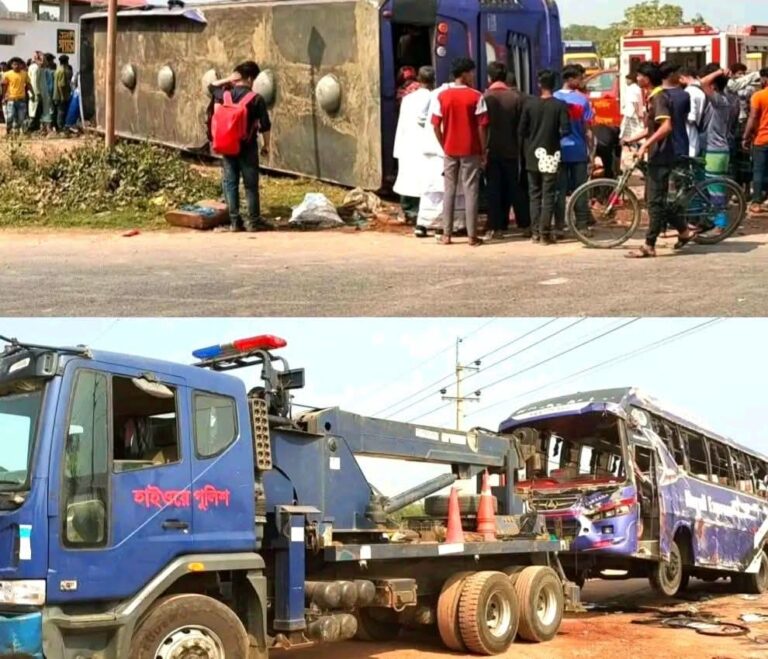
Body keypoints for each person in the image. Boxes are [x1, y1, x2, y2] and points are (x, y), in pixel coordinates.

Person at [624, 61, 696, 258]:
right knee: (657, 200)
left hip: (662, 155)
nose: (637, 78)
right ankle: (683, 231)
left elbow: (666, 127)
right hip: (658, 154)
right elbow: (652, 128)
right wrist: (633, 138)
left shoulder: (659, 98)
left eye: (640, 75)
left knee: (654, 202)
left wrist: (645, 145)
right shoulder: (654, 97)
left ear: (647, 79)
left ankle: (649, 245)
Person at [208, 61, 272, 232]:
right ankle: (254, 222)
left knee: (230, 183)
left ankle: (235, 223)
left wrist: (229, 79)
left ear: (238, 77)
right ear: (250, 79)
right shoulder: (256, 99)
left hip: (228, 146)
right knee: (251, 186)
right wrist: (266, 146)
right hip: (247, 146)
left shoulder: (225, 95)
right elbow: (265, 125)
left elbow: (211, 86)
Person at [431, 57, 489, 246]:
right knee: (471, 191)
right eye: (471, 73)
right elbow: (482, 126)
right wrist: (483, 150)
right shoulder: (476, 96)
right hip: (471, 150)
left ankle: (446, 235)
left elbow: (435, 125)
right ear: (464, 74)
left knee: (449, 190)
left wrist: (444, 144)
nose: (473, 76)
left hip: (450, 150)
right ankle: (472, 236)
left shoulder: (442, 96)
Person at [519, 69, 570, 244]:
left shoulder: (529, 104)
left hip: (532, 155)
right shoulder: (560, 105)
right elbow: (566, 129)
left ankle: (535, 232)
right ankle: (545, 234)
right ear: (554, 85)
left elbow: (521, 130)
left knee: (534, 194)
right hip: (551, 154)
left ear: (539, 84)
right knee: (548, 194)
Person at [415, 81, 468, 237]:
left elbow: (421, 118)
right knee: (454, 189)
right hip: (450, 147)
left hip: (433, 149)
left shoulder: (434, 94)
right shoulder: (460, 96)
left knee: (432, 189)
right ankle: (456, 224)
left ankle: (423, 224)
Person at [483, 61, 525, 241]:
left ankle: (496, 227)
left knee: (493, 188)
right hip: (512, 149)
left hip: (491, 149)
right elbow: (521, 127)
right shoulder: (515, 98)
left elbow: (482, 126)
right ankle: (525, 224)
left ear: (490, 77)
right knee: (513, 187)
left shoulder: (485, 97)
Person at [553, 65, 594, 238]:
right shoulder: (582, 100)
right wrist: (591, 153)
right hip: (578, 150)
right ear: (570, 79)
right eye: (579, 78)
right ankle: (582, 225)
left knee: (559, 191)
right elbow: (588, 130)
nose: (581, 81)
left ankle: (559, 226)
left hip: (559, 151)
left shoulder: (553, 98)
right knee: (581, 190)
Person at [699, 64, 739, 229]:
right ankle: (711, 220)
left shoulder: (719, 101)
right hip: (718, 150)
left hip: (716, 150)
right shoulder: (725, 99)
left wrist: (719, 72)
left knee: (716, 189)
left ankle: (720, 224)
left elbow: (702, 82)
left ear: (714, 85)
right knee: (712, 187)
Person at [393, 66, 434, 226]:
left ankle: (409, 211)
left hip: (408, 144)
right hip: (427, 145)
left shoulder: (408, 99)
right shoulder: (435, 98)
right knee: (425, 181)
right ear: (433, 81)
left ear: (419, 79)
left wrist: (398, 148)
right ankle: (423, 214)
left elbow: (401, 124)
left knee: (408, 178)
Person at [742, 68, 768, 214]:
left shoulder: (758, 96)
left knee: (758, 170)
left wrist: (746, 136)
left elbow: (752, 117)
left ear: (765, 79)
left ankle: (756, 202)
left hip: (762, 139)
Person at [660, 62, 689, 159]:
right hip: (680, 143)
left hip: (659, 145)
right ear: (671, 74)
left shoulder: (656, 95)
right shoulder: (684, 95)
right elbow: (685, 116)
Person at [1, 57, 33, 136]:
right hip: (11, 99)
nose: (16, 66)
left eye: (18, 64)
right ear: (11, 65)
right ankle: (8, 131)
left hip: (21, 100)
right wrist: (4, 97)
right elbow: (4, 86)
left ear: (21, 65)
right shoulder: (7, 74)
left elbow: (28, 84)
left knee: (21, 118)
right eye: (14, 64)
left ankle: (17, 132)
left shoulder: (24, 74)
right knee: (10, 117)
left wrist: (33, 93)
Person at [679, 66, 706, 159]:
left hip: (689, 129)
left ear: (684, 77)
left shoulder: (689, 91)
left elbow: (691, 117)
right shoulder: (701, 91)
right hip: (698, 128)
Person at [620, 72, 645, 143]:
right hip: (631, 113)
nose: (626, 81)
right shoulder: (636, 88)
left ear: (631, 80)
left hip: (632, 114)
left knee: (635, 130)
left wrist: (638, 114)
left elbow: (635, 102)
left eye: (627, 80)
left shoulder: (632, 89)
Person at [53, 55, 73, 132]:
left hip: (57, 95)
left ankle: (59, 126)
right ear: (66, 62)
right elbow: (61, 85)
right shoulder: (62, 71)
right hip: (60, 96)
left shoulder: (58, 69)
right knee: (61, 112)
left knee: (59, 111)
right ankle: (61, 127)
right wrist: (62, 97)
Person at [39, 53, 55, 134]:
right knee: (48, 110)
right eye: (52, 60)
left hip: (47, 93)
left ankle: (44, 128)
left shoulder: (47, 70)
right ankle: (47, 128)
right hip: (46, 93)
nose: (53, 62)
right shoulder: (45, 71)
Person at [27, 52, 43, 132]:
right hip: (35, 93)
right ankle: (30, 128)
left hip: (34, 92)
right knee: (34, 111)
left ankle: (34, 129)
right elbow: (33, 82)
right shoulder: (35, 67)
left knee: (35, 111)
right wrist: (37, 93)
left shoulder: (36, 67)